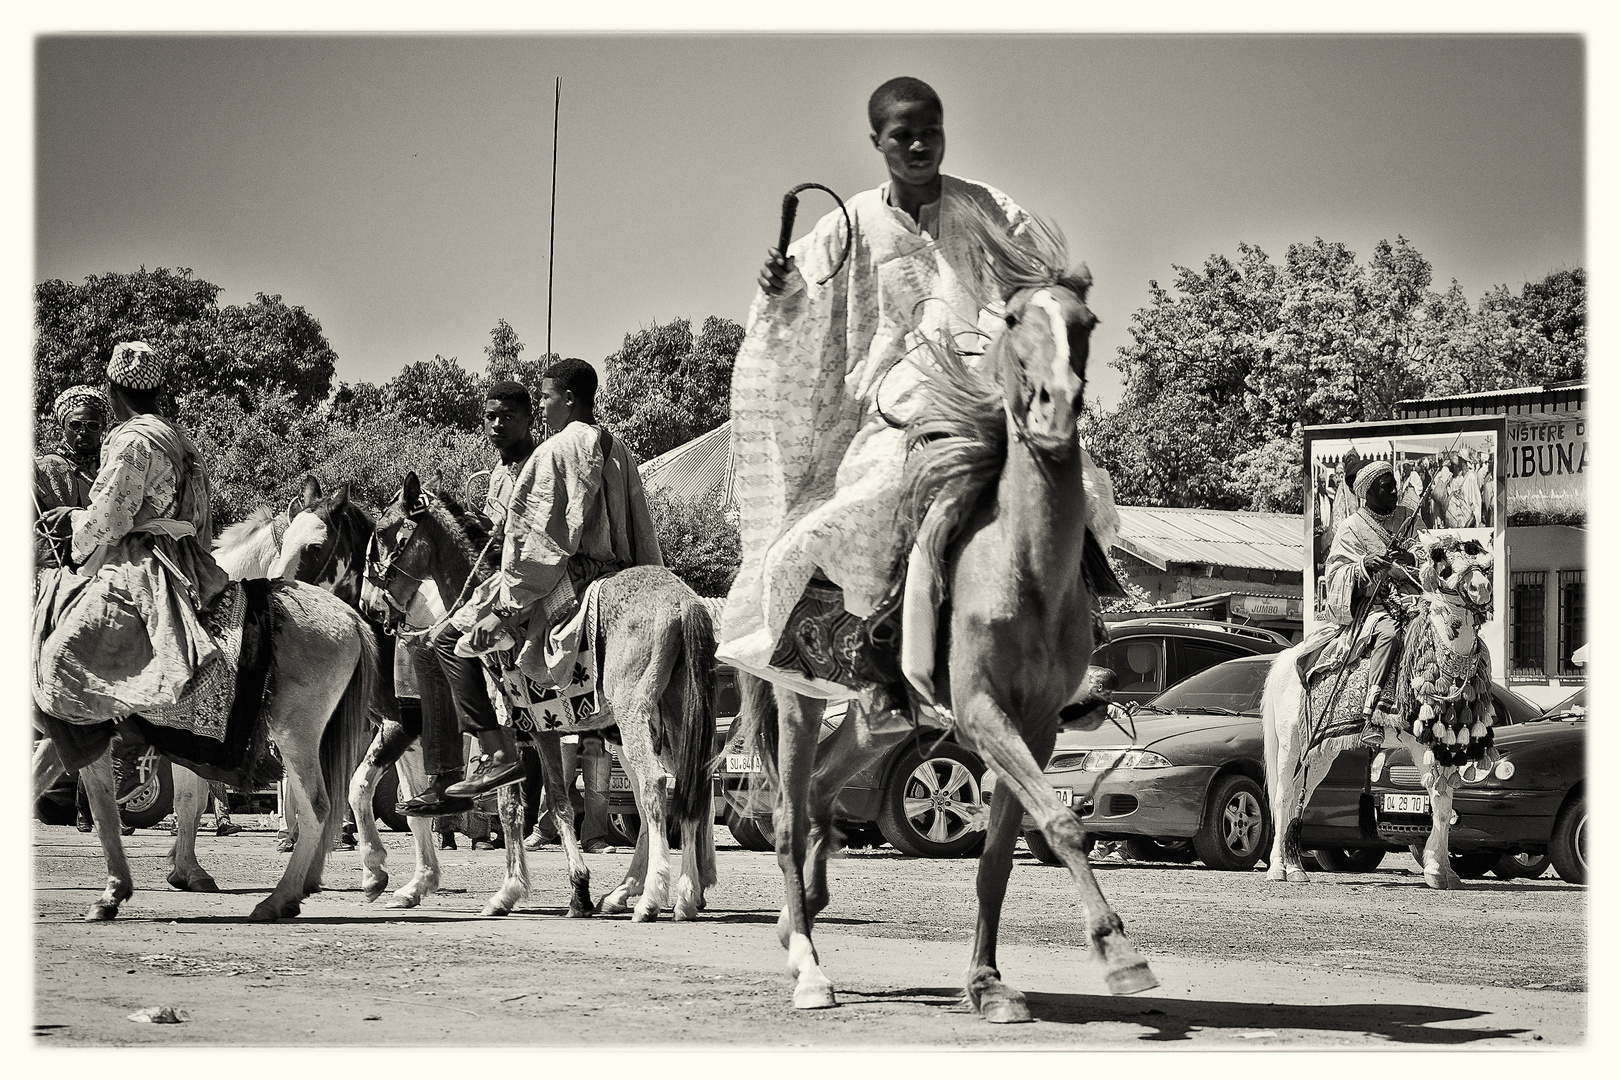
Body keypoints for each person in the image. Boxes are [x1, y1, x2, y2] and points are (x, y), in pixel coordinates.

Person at [718, 76, 1118, 700]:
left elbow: (1035, 283)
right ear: (877, 140)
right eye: (902, 136)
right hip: (900, 401)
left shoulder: (987, 207)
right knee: (871, 493)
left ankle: (1076, 642)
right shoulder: (848, 223)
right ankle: (876, 650)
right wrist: (778, 285)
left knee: (1082, 484)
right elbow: (798, 292)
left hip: (990, 385)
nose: (919, 146)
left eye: (930, 133)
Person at [429, 366, 662, 806]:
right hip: (624, 573)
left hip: (571, 576)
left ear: (570, 399)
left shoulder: (557, 450)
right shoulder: (619, 448)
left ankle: (498, 752)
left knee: (448, 639)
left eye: (546, 397)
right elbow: (641, 526)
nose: (543, 406)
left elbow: (539, 546)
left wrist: (503, 608)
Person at [34, 341, 231, 724]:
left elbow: (110, 520)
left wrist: (73, 530)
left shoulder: (133, 439)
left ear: (111, 392)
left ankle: (129, 741)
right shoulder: (178, 438)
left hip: (143, 560)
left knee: (61, 663)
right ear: (157, 392)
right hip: (188, 558)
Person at [1308, 461, 1423, 747]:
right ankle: (1375, 709)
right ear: (1368, 493)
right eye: (1388, 487)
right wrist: (1363, 565)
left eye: (1395, 484)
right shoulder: (1351, 528)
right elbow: (1335, 575)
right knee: (1390, 633)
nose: (1396, 491)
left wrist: (1410, 558)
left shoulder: (1408, 516)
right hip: (1376, 605)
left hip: (1415, 597)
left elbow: (1428, 550)